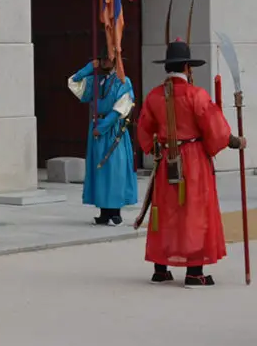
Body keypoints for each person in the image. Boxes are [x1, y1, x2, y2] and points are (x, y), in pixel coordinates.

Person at [137, 38, 245, 287]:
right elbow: (215, 130)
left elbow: (144, 130)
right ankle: (194, 272)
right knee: (193, 211)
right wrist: (235, 142)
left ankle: (160, 269)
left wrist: (158, 149)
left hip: (167, 159)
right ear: (188, 67)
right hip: (193, 160)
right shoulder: (197, 95)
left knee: (164, 210)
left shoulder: (154, 96)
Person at [68, 55, 138, 225]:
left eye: (107, 59)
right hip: (97, 130)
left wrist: (103, 127)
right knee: (100, 171)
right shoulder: (96, 81)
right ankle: (104, 212)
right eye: (102, 59)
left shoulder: (123, 82)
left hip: (113, 131)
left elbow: (120, 109)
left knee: (114, 171)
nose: (104, 62)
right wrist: (89, 67)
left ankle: (115, 212)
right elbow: (73, 82)